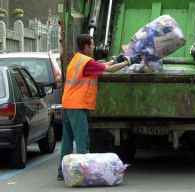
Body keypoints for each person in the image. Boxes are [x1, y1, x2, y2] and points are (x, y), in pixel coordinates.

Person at [57, 34, 141, 181]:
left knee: (67, 140)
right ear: (86, 47)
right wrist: (129, 61)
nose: (94, 46)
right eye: (92, 44)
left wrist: (116, 59)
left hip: (68, 104)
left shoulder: (78, 59)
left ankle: (61, 172)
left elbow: (102, 66)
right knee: (82, 142)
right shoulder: (86, 62)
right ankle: (84, 174)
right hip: (77, 106)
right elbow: (111, 70)